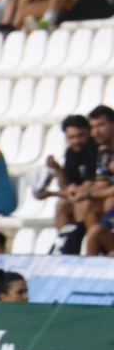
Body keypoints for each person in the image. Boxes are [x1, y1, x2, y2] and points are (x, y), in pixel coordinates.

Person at [37, 113, 96, 252]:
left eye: (80, 136)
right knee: (62, 205)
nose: (76, 141)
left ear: (88, 132)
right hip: (80, 196)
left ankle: (89, 248)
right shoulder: (71, 152)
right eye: (71, 137)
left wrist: (52, 193)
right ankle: (65, 245)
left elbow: (89, 185)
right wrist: (57, 169)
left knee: (82, 204)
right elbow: (67, 186)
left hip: (92, 197)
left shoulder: (93, 150)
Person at [80, 104, 114, 255]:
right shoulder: (104, 150)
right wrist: (84, 193)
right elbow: (101, 184)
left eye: (101, 125)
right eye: (92, 127)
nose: (95, 132)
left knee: (109, 200)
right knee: (86, 205)